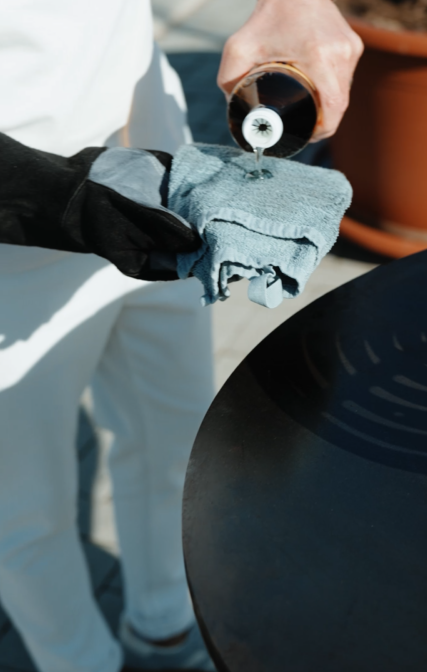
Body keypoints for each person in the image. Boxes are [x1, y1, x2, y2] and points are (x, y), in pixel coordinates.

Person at [0, 2, 363, 672]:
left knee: (173, 436)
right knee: (24, 512)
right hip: (15, 249)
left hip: (158, 163)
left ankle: (164, 628)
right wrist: (61, 197)